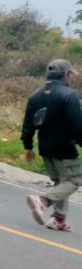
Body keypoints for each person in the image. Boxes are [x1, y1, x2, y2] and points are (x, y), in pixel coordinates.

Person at [22, 59, 82, 232]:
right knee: (74, 180)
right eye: (71, 74)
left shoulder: (35, 94)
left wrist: (28, 147)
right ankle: (43, 201)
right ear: (66, 74)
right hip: (65, 147)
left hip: (45, 146)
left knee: (60, 182)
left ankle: (58, 219)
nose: (72, 78)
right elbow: (77, 125)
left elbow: (28, 124)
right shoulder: (69, 95)